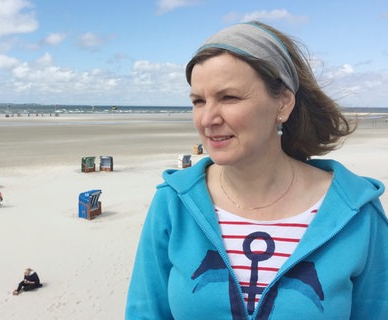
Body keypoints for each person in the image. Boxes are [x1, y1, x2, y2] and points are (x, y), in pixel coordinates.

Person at [126, 21, 387, 319]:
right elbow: (145, 312)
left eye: (229, 97)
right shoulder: (174, 203)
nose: (207, 119)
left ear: (283, 104)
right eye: (198, 101)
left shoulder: (355, 214)